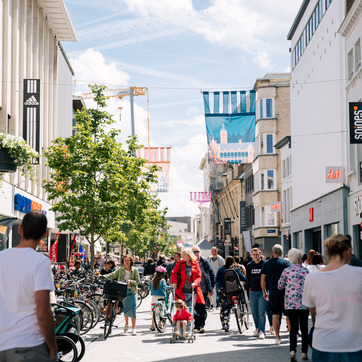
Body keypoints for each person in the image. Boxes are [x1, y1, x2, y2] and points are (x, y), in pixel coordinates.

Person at [0, 210, 57, 361]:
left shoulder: (1, 258)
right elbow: (43, 311)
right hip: (29, 345)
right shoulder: (40, 262)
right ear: (44, 234)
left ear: (20, 229)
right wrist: (52, 347)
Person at [302, 234, 362, 362]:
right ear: (348, 252)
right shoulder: (359, 274)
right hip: (354, 342)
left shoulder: (312, 278)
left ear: (327, 252)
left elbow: (312, 309)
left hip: (324, 342)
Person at [278, 248, 309, 362]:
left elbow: (280, 285)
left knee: (293, 328)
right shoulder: (305, 271)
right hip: (304, 304)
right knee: (304, 328)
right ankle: (304, 352)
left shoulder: (286, 271)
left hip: (290, 304)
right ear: (300, 258)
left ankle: (292, 350)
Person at [261, 244, 290, 345]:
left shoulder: (266, 263)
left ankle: (277, 337)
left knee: (275, 315)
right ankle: (291, 335)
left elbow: (263, 279)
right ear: (281, 253)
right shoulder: (286, 262)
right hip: (286, 293)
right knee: (288, 315)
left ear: (272, 253)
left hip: (273, 293)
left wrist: (264, 292)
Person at [107, 255, 140, 336]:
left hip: (132, 291)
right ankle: (126, 324)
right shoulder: (120, 270)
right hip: (123, 292)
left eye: (128, 260)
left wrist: (131, 281)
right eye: (125, 260)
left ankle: (133, 329)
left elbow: (138, 281)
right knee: (126, 309)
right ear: (123, 261)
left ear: (131, 261)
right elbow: (112, 275)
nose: (126, 262)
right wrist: (103, 276)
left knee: (133, 309)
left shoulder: (135, 270)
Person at [216, 256, 247, 332]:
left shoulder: (221, 269)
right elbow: (243, 278)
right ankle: (226, 323)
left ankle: (224, 324)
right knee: (228, 308)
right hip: (231, 290)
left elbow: (216, 279)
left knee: (222, 308)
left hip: (221, 290)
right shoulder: (235, 270)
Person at [246, 247, 269, 340]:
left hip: (262, 292)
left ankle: (262, 331)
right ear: (252, 255)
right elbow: (248, 278)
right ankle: (257, 328)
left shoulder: (264, 264)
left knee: (261, 312)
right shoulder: (249, 265)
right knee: (254, 313)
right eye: (254, 254)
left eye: (257, 254)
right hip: (253, 291)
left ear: (260, 254)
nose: (255, 256)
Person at [191, 246, 215, 333]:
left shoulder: (204, 261)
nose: (196, 253)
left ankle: (201, 325)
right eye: (193, 252)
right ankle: (197, 325)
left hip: (203, 289)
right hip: (193, 290)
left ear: (200, 252)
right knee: (194, 308)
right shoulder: (190, 262)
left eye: (197, 251)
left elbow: (211, 273)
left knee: (201, 308)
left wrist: (212, 286)